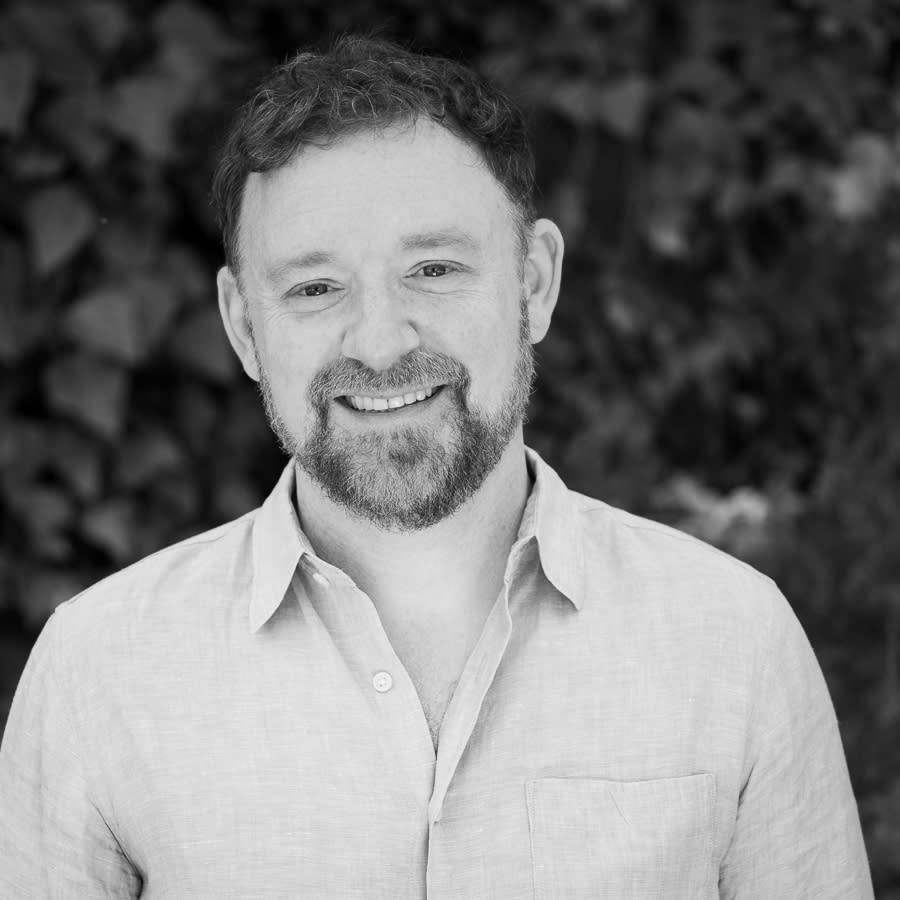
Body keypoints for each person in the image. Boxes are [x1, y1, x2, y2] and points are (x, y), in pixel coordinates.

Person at [0, 34, 874, 899]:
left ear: (534, 282)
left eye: (433, 268)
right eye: (315, 287)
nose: (380, 343)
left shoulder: (734, 644)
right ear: (242, 326)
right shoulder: (99, 671)